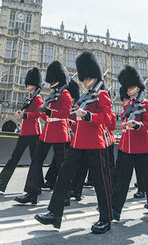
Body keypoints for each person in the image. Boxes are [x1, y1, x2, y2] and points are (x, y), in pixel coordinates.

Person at [35, 51, 113, 234]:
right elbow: (71, 115)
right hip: (77, 143)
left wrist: (88, 116)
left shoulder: (102, 95)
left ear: (94, 77)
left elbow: (108, 119)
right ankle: (54, 213)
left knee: (101, 183)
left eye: (87, 79)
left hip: (95, 144)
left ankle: (105, 218)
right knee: (63, 176)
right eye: (83, 79)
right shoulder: (85, 97)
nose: (84, 81)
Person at [15, 61, 72, 205]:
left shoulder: (65, 94)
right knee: (36, 161)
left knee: (61, 165)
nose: (51, 82)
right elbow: (47, 114)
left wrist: (49, 111)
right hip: (47, 132)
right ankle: (31, 193)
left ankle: (65, 194)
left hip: (60, 131)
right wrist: (44, 112)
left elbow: (66, 113)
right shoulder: (53, 94)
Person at [111, 65, 148, 223]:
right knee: (122, 181)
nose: (130, 90)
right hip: (127, 147)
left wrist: (138, 126)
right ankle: (115, 210)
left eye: (132, 87)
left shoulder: (145, 104)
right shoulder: (126, 105)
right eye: (128, 87)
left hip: (143, 147)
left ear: (138, 88)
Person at [0, 67, 44, 192]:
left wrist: (24, 115)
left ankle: (39, 183)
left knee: (35, 160)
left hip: (33, 133)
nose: (28, 86)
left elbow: (38, 114)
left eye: (30, 84)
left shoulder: (37, 98)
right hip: (25, 132)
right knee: (14, 158)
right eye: (27, 84)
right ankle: (3, 181)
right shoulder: (29, 97)